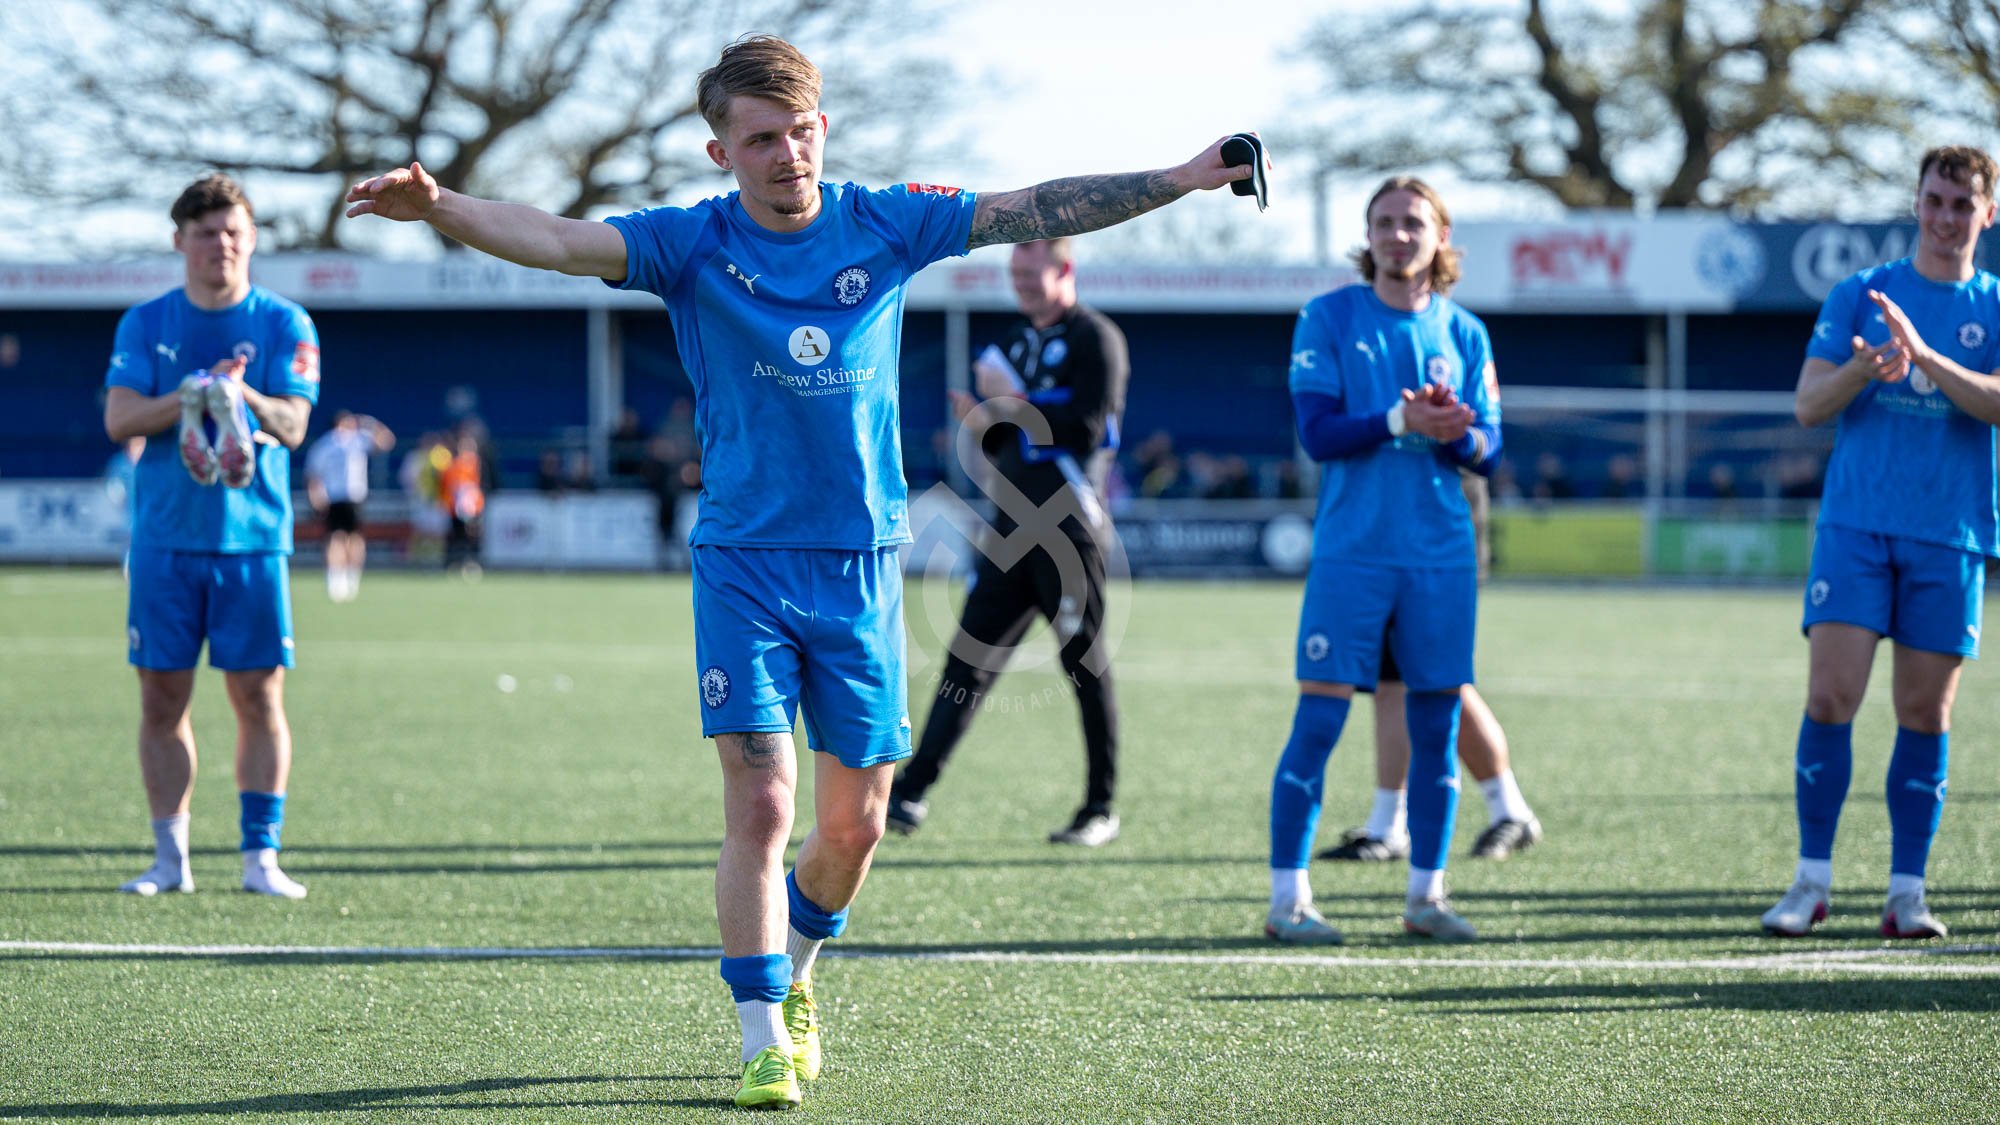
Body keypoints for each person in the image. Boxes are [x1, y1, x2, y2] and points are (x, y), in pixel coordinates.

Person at [343, 33, 1258, 1110]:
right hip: (742, 563)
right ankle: (757, 1034)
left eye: (800, 131)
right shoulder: (687, 244)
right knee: (760, 801)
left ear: (822, 128)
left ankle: (799, 977)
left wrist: (1183, 178)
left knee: (855, 825)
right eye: (761, 139)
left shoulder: (887, 220)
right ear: (720, 150)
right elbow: (552, 238)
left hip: (861, 567)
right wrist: (441, 205)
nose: (787, 155)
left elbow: (1034, 206)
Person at [1762, 144, 2000, 941]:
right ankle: (1811, 881)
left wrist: (1929, 358)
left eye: (1962, 205)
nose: (1944, 218)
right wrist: (1863, 369)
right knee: (1830, 697)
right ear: (1916, 203)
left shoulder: (1994, 306)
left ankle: (1906, 893)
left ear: (1987, 214)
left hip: (1950, 532)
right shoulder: (1860, 292)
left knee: (1924, 714)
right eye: (1934, 200)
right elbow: (1807, 405)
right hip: (1856, 526)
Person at [1263, 175, 1500, 946]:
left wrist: (1454, 433)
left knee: (1435, 728)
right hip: (1352, 555)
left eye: (1413, 223)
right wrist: (1402, 416)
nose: (1398, 236)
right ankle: (1288, 900)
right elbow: (1319, 433)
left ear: (1441, 237)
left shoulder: (1466, 333)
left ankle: (1426, 896)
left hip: (1439, 559)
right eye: (1385, 223)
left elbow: (1488, 450)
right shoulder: (1327, 317)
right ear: (1369, 238)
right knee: (1320, 720)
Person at [100, 173, 319, 900]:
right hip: (164, 540)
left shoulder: (286, 322)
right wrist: (189, 396)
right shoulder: (145, 322)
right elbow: (120, 418)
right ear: (179, 242)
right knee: (162, 700)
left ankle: (261, 858)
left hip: (253, 542)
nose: (219, 245)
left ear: (251, 239)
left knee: (258, 699)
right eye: (204, 233)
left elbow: (293, 424)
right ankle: (170, 860)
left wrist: (241, 395)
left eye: (232, 232)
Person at [883, 236, 1130, 847]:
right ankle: (910, 793)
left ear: (1064, 268)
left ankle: (1099, 807)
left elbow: (1090, 428)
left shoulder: (1095, 337)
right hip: (1008, 532)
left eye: (1031, 271)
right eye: (1014, 271)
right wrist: (984, 419)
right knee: (966, 663)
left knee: (1085, 667)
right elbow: (1004, 447)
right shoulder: (1019, 340)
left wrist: (1013, 405)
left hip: (1069, 532)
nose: (1020, 282)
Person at [1321, 471, 1543, 864]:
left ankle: (1504, 810)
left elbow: (1477, 440)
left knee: (1433, 679)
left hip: (1438, 535)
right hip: (1394, 534)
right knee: (1397, 680)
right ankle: (1392, 822)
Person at [304, 410, 395, 602]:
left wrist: (315, 496)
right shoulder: (339, 441)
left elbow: (386, 441)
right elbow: (314, 474)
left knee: (346, 538)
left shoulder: (342, 441)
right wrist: (370, 423)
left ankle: (345, 578)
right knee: (342, 538)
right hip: (340, 496)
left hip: (348, 496)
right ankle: (341, 579)